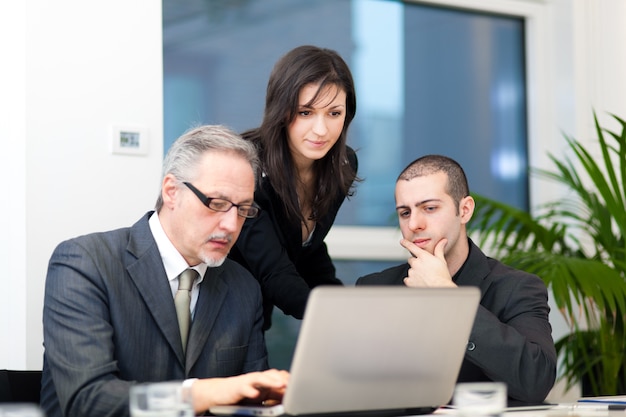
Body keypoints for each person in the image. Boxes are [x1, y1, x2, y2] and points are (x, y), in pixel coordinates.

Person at [41, 125, 290, 417]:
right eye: (217, 204)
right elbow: (90, 401)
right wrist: (206, 392)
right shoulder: (85, 263)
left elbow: (252, 405)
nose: (231, 225)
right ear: (171, 192)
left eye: (243, 209)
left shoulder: (242, 287)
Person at [356, 154, 557, 406]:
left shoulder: (517, 288)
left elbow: (536, 380)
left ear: (464, 210)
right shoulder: (374, 289)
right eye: (405, 212)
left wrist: (448, 297)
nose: (414, 224)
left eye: (429, 208)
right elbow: (351, 385)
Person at [229, 45, 359, 328]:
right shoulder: (246, 164)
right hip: (218, 312)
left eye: (334, 113)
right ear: (282, 109)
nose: (322, 130)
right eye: (306, 112)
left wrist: (346, 307)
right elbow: (273, 269)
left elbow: (308, 249)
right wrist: (338, 317)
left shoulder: (341, 165)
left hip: (257, 316)